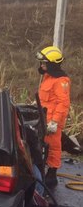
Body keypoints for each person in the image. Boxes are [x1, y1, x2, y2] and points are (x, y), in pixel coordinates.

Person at [36, 46, 71, 188]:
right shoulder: (48, 76)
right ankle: (42, 169)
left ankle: (52, 174)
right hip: (43, 117)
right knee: (42, 144)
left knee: (53, 147)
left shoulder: (61, 81)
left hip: (52, 120)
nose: (42, 65)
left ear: (52, 64)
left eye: (44, 63)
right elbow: (45, 97)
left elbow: (63, 103)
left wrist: (54, 122)